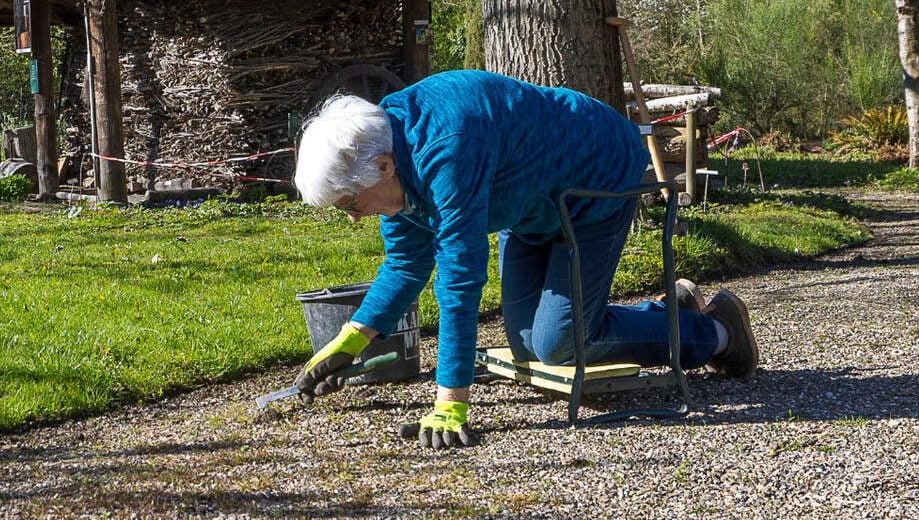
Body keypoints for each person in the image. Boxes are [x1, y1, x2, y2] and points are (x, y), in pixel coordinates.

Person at [290, 71, 757, 449]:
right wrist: (350, 342)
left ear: (383, 167)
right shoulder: (389, 156)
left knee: (558, 345)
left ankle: (717, 333)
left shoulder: (444, 150)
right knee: (526, 344)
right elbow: (405, 265)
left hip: (596, 184)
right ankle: (672, 312)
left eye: (350, 202)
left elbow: (458, 282)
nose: (352, 217)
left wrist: (450, 401)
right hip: (528, 200)